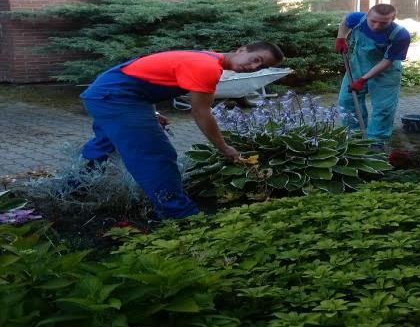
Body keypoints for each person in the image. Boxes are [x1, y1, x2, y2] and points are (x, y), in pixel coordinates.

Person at [80, 42, 284, 219]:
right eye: (255, 59)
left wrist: (151, 111)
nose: (254, 67)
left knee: (104, 145)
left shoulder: (208, 57)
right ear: (242, 50)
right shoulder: (207, 66)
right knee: (156, 155)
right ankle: (181, 216)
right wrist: (224, 147)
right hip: (116, 98)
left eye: (261, 66)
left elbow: (147, 75)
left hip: (109, 93)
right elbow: (202, 113)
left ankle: (74, 187)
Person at [335, 4, 410, 151]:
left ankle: (376, 142)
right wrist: (341, 38)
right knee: (347, 101)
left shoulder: (400, 35)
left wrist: (363, 80)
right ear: (367, 16)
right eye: (373, 21)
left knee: (383, 108)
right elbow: (345, 22)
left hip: (386, 73)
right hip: (358, 65)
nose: (376, 26)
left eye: (383, 23)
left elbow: (387, 61)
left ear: (393, 19)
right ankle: (354, 137)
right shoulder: (357, 18)